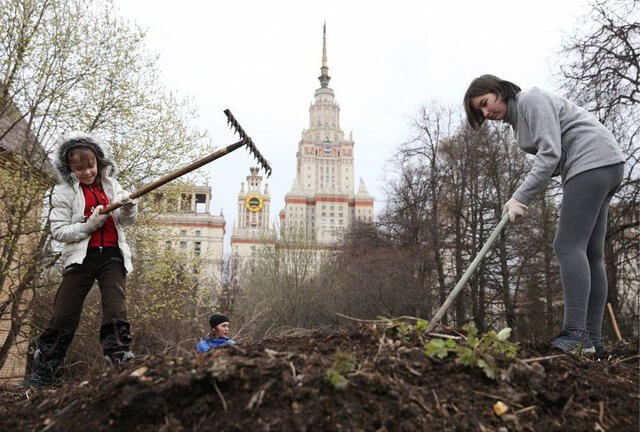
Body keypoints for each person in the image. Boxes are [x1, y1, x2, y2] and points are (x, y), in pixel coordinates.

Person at [463, 75, 625, 356]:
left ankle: (575, 334)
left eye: (485, 104)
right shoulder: (520, 122)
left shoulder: (531, 100)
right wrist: (520, 196)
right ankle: (593, 340)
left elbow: (549, 155)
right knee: (590, 253)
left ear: (498, 90)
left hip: (590, 162)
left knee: (567, 245)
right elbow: (551, 160)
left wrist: (520, 197)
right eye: (481, 113)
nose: (487, 113)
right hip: (608, 164)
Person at [22, 131, 139, 389]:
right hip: (80, 259)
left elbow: (126, 222)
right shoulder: (62, 193)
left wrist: (130, 208)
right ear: (69, 169)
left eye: (90, 166)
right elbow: (59, 231)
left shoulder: (112, 187)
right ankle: (45, 370)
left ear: (98, 161)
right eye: (79, 168)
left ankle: (119, 361)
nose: (87, 172)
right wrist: (89, 225)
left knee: (115, 309)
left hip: (112, 257)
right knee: (64, 314)